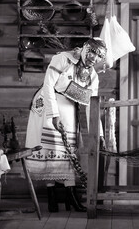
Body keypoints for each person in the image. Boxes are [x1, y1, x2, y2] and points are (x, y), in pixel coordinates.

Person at [25, 37, 107, 212]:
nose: (94, 57)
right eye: (92, 51)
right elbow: (48, 85)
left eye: (99, 56)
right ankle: (52, 195)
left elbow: (91, 106)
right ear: (85, 47)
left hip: (69, 106)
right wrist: (53, 114)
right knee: (50, 147)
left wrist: (99, 134)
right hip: (48, 102)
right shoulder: (63, 58)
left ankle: (71, 195)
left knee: (68, 149)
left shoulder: (92, 76)